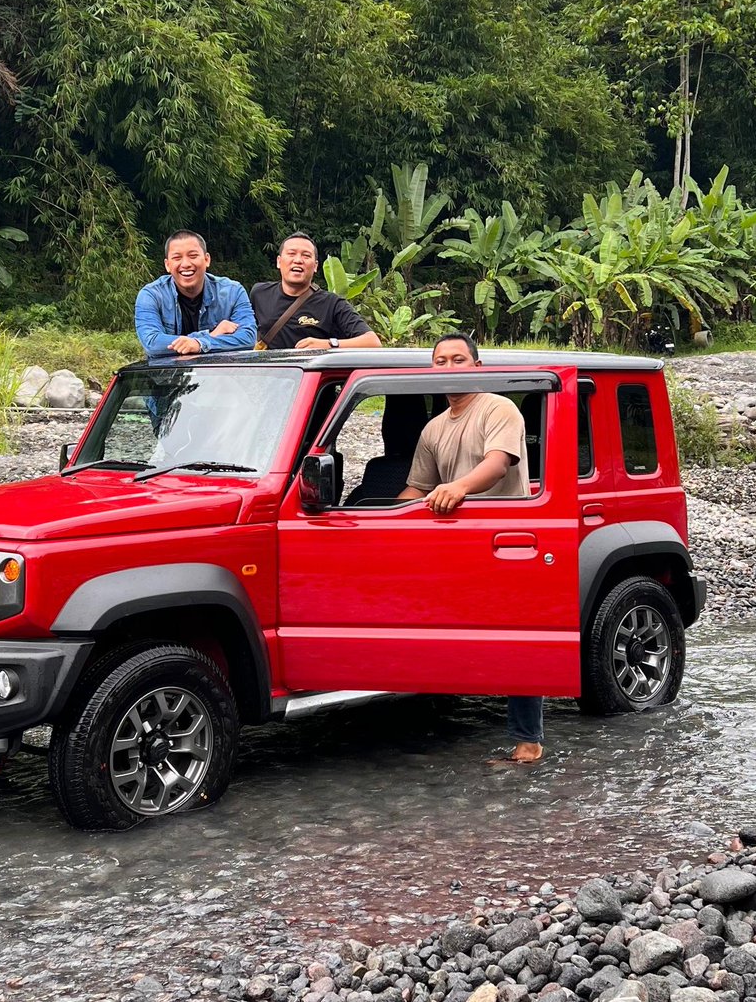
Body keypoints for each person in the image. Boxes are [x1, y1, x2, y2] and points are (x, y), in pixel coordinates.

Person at [397, 332, 544, 764]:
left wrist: (457, 488)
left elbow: (498, 464)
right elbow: (415, 488)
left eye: (458, 359)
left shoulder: (499, 408)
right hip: (450, 540)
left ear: (478, 367)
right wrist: (377, 512)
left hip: (504, 536)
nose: (448, 367)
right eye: (440, 361)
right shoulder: (433, 428)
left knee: (517, 638)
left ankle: (528, 740)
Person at [250, 232, 382, 350]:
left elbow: (373, 342)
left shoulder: (332, 304)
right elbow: (244, 330)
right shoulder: (259, 293)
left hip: (311, 376)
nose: (298, 260)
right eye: (291, 254)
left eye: (306, 256)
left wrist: (328, 344)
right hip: (269, 374)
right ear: (279, 262)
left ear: (315, 266)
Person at [134, 230, 257, 356]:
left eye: (193, 256)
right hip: (167, 374)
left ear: (207, 259)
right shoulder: (151, 295)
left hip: (219, 373)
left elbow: (247, 338)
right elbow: (153, 344)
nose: (186, 264)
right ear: (167, 265)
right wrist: (207, 337)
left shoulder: (233, 292)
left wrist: (199, 344)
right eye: (177, 258)